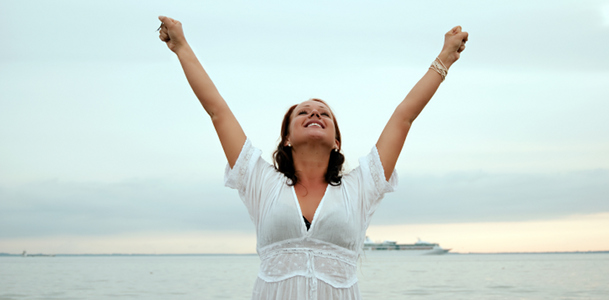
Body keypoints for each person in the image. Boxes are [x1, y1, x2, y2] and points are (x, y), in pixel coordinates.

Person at [158, 15, 468, 300]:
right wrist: (181, 47)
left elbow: (404, 117)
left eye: (324, 113)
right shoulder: (260, 181)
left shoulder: (361, 187)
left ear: (336, 141)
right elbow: (218, 111)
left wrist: (444, 59)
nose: (314, 114)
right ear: (288, 138)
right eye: (303, 112)